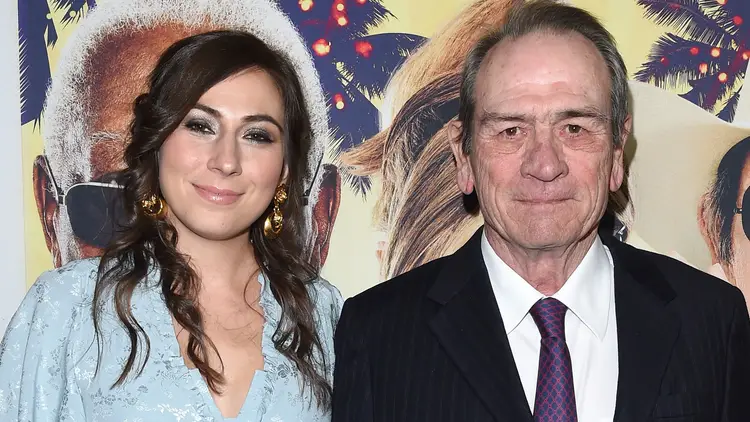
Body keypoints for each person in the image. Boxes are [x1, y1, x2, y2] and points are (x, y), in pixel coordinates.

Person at [331, 1, 750, 421]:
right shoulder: (377, 334)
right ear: (464, 156)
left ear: (617, 151)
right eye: (511, 130)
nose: (545, 165)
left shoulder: (712, 318)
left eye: (574, 128)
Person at [1, 29, 342, 421]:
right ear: (157, 143)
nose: (226, 161)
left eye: (256, 135)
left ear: (284, 170)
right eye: (200, 126)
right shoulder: (68, 305)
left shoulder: (322, 314)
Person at [32, 0, 340, 270]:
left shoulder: (327, 310)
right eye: (123, 199)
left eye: (256, 135)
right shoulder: (60, 305)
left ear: (321, 216)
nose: (226, 162)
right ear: (49, 212)